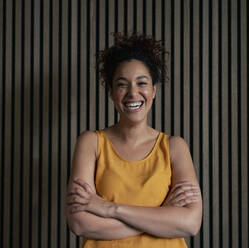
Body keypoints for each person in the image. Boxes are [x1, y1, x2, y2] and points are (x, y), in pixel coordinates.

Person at [66, 33, 202, 248]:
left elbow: (190, 224)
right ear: (111, 91)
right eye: (122, 84)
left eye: (142, 83)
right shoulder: (91, 143)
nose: (132, 93)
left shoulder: (175, 147)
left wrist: (110, 209)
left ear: (154, 90)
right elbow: (79, 223)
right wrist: (163, 215)